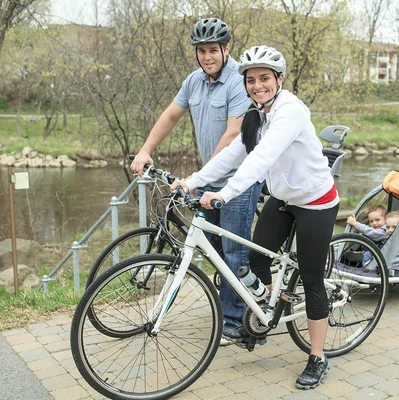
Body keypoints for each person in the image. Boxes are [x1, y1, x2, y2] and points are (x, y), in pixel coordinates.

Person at [171, 45, 339, 390]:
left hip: (315, 201)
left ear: (279, 79)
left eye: (264, 78)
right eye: (250, 80)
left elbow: (261, 158)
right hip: (283, 198)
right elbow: (234, 154)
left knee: (311, 278)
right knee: (253, 260)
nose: (257, 85)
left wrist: (223, 194)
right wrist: (193, 181)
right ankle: (268, 311)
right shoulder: (256, 113)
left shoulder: (290, 111)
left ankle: (318, 357)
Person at [130, 18, 262, 346]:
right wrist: (146, 149)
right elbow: (170, 115)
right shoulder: (194, 82)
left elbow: (234, 134)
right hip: (208, 179)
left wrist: (197, 178)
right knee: (213, 249)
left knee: (233, 253)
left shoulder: (239, 82)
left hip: (238, 182)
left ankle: (234, 323)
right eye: (201, 51)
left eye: (213, 51)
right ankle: (238, 304)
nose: (207, 57)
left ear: (226, 49)